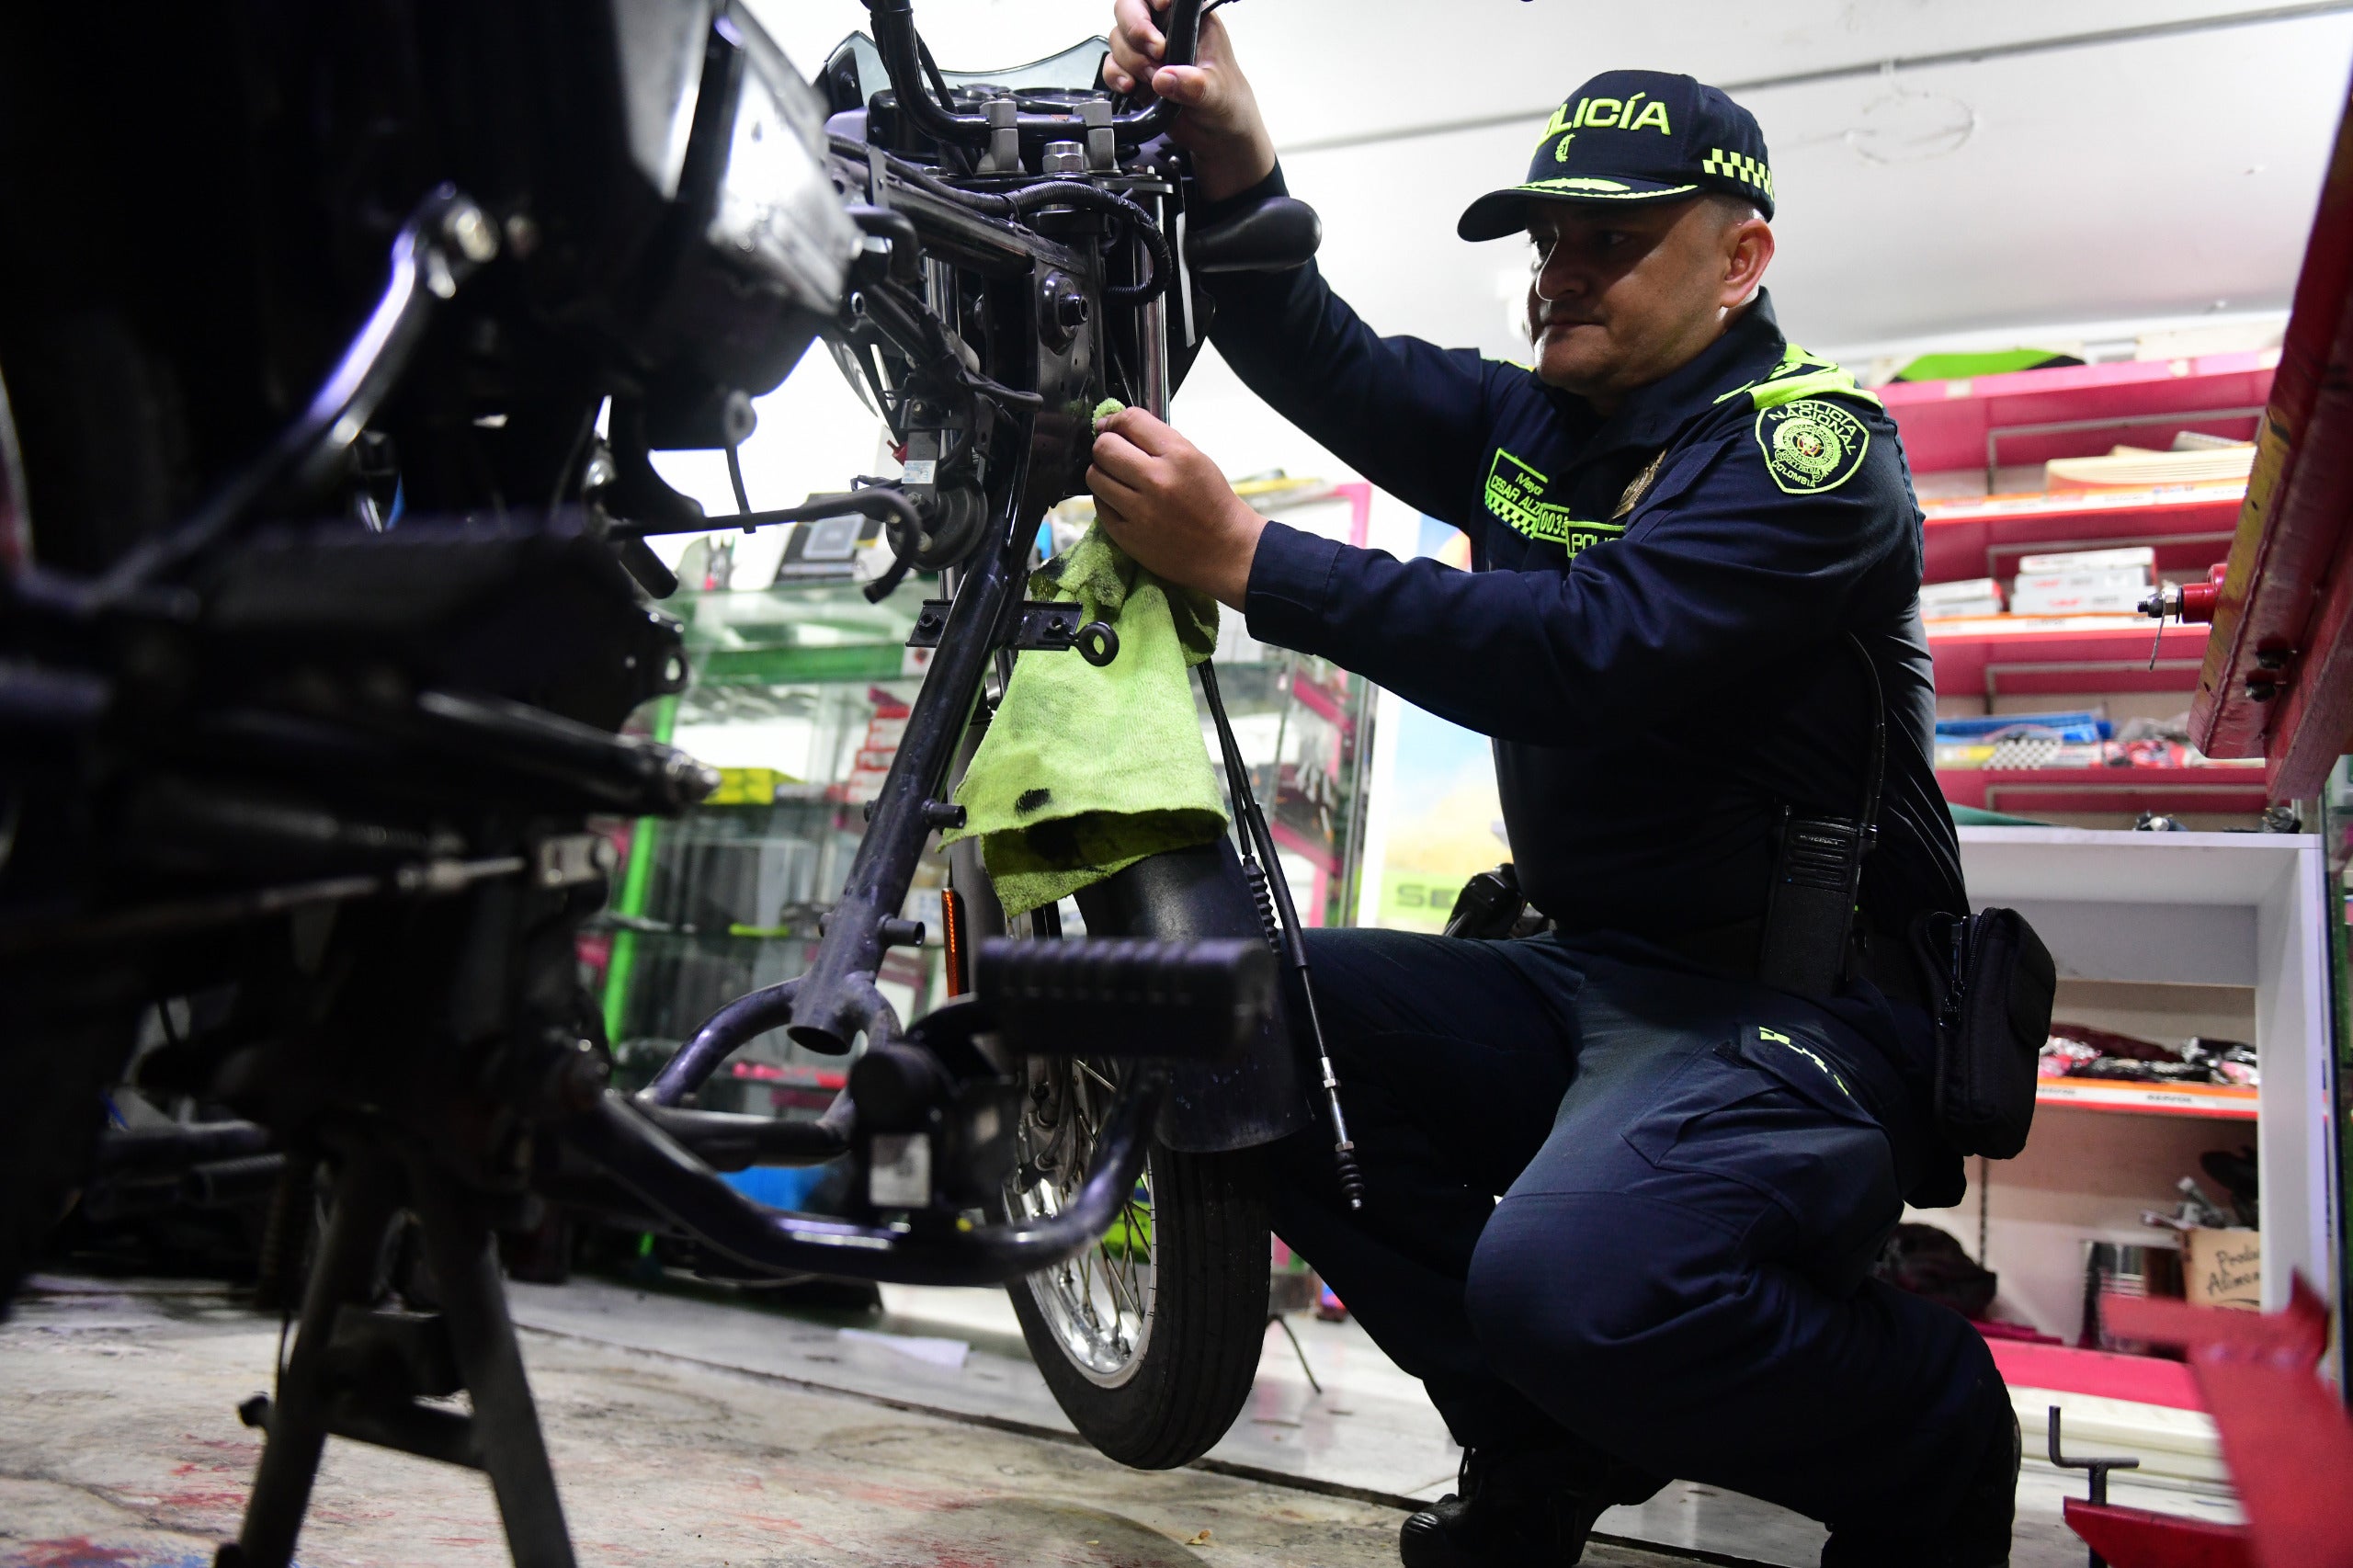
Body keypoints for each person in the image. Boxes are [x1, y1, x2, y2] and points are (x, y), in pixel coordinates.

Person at [1085, 6, 2020, 1567]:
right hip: (1595, 979)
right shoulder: (1537, 422)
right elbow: (1322, 351)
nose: (1560, 269)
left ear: (1740, 260)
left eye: (1613, 239)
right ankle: (1546, 1424)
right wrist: (1239, 171)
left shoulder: (1808, 454)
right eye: (1547, 236)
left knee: (1569, 1284)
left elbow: (1597, 648)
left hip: (1804, 1018)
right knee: (1227, 1008)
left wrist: (1250, 558)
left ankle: (1922, 1407)